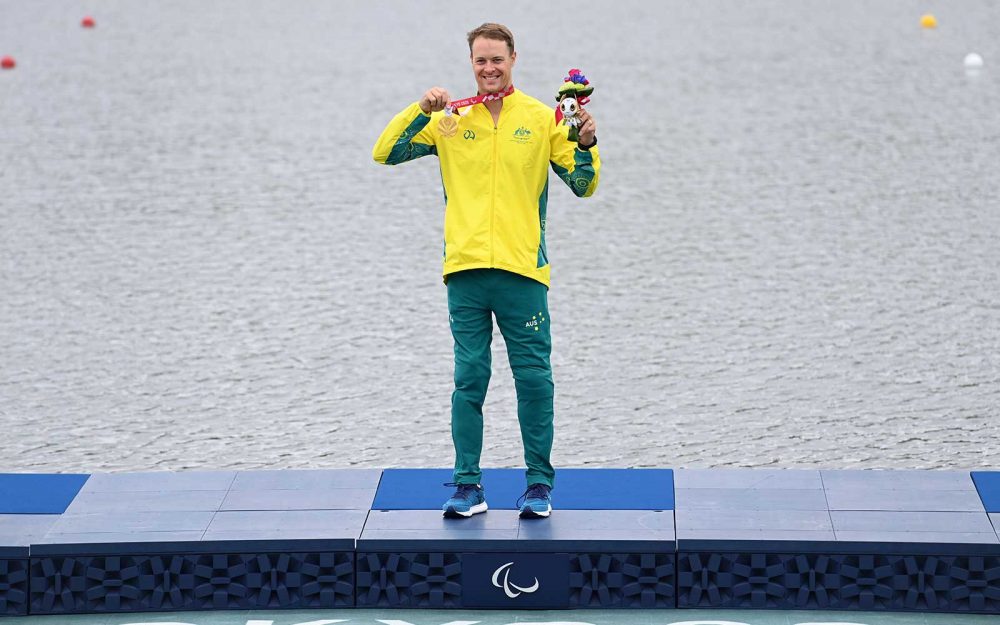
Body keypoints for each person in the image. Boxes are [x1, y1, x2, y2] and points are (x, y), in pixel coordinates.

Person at [372, 23, 600, 519]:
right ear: (471, 63)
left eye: (497, 59)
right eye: (480, 61)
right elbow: (384, 151)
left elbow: (583, 185)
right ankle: (467, 486)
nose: (489, 69)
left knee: (534, 379)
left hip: (523, 273)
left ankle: (539, 485)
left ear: (514, 58)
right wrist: (421, 109)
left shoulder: (542, 119)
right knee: (469, 378)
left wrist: (586, 143)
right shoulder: (451, 120)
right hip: (466, 272)